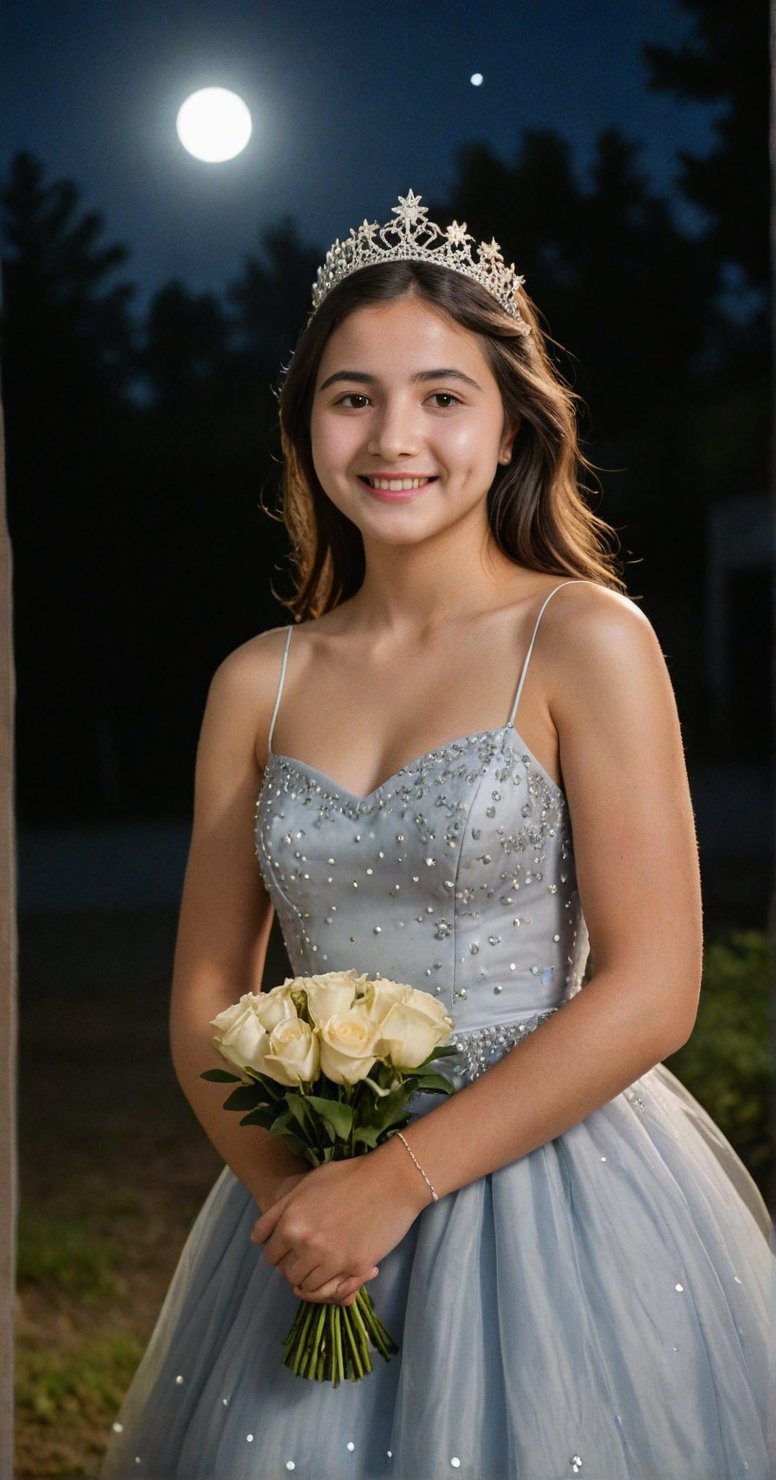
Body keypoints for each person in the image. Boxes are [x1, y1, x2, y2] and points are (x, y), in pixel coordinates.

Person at [103, 190, 774, 1480]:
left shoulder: (584, 640)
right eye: (351, 396)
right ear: (306, 425)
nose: (393, 436)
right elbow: (204, 989)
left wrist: (394, 1182)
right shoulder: (260, 680)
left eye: (442, 395)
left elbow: (654, 987)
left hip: (556, 1189)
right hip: (307, 1191)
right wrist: (297, 1204)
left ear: (512, 418)